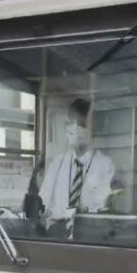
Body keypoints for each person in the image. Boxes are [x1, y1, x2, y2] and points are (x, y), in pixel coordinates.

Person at [35, 99, 114, 234]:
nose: (73, 128)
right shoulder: (57, 163)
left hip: (91, 233)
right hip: (58, 232)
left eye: (80, 124)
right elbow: (44, 203)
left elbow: (105, 206)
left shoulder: (106, 165)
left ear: (91, 129)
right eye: (70, 123)